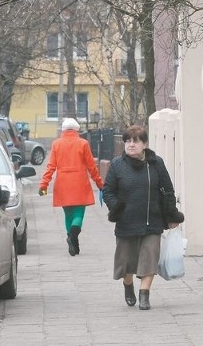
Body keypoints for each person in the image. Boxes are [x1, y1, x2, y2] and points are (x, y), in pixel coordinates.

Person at [102, 125, 184, 310]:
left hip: (152, 220)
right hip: (126, 221)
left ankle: (144, 294)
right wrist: (117, 208)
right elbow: (108, 191)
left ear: (144, 144)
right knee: (126, 262)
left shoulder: (156, 163)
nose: (131, 145)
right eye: (128, 141)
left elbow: (168, 190)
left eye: (135, 141)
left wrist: (171, 215)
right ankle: (128, 284)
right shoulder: (117, 165)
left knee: (150, 257)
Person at [39, 117, 104, 256]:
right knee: (79, 213)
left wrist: (43, 185)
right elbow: (91, 167)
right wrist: (100, 184)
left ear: (63, 130)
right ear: (77, 130)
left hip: (63, 184)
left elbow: (50, 167)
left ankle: (72, 239)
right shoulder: (83, 143)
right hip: (80, 183)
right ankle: (73, 237)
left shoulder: (56, 144)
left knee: (68, 214)